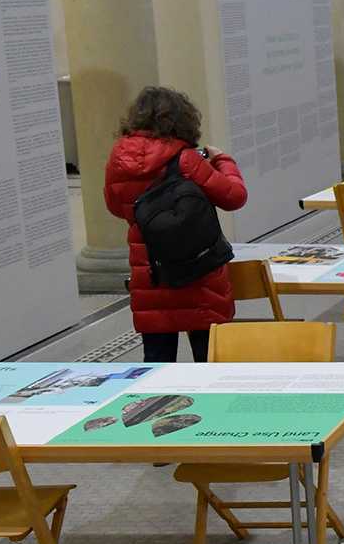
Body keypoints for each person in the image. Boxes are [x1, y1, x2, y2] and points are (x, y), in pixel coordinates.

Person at [104, 86, 248, 363]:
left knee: (157, 368)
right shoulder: (186, 159)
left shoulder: (118, 159)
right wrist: (222, 160)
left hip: (152, 277)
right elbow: (235, 197)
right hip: (199, 273)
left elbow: (115, 206)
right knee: (209, 364)